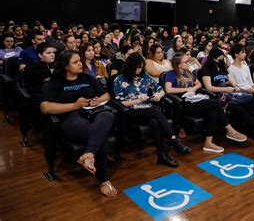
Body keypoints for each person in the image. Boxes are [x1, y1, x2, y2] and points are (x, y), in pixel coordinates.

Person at [40, 50, 117, 196]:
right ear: (65, 66)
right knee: (100, 136)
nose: (80, 64)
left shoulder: (86, 77)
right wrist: (74, 106)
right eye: (75, 62)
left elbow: (106, 94)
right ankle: (103, 179)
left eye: (80, 61)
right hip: (71, 117)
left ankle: (88, 154)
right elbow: (45, 107)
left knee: (107, 115)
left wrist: (98, 100)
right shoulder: (56, 82)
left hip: (93, 112)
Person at [113, 53, 191, 167]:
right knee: (155, 111)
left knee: (154, 121)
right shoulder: (119, 80)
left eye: (141, 67)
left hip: (146, 109)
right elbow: (119, 102)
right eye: (137, 67)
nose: (139, 69)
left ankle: (162, 155)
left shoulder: (143, 76)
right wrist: (137, 100)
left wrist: (159, 95)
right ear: (130, 66)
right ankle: (174, 140)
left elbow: (160, 89)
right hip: (130, 111)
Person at [164, 52, 247, 153]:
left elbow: (198, 84)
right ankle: (230, 130)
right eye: (185, 62)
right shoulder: (170, 74)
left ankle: (208, 143)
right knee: (215, 103)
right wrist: (187, 90)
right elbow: (168, 90)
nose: (188, 63)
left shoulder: (188, 73)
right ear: (178, 64)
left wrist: (193, 88)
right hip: (183, 103)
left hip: (193, 99)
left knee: (212, 111)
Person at [21, 42, 56, 145]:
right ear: (40, 55)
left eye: (53, 52)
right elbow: (35, 77)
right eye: (48, 53)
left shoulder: (50, 65)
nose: (52, 54)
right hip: (37, 97)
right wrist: (51, 73)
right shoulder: (32, 66)